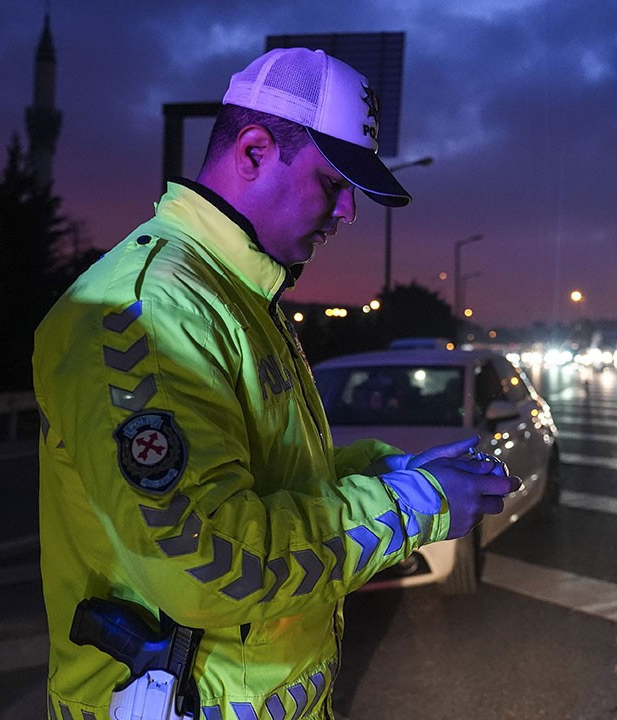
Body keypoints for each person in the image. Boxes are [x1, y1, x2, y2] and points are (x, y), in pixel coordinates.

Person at [33, 47, 517, 720]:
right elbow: (208, 561)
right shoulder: (150, 311)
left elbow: (267, 475)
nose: (348, 212)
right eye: (333, 183)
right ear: (255, 150)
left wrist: (392, 467)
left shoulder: (236, 296)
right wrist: (416, 504)